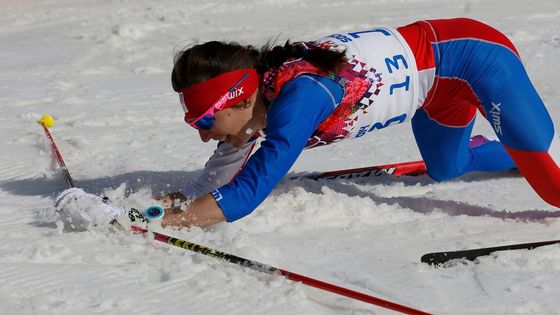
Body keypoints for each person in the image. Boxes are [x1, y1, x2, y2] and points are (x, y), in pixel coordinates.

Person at [55, 18, 560, 229]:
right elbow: (218, 179)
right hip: (437, 91)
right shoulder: (251, 111)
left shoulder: (298, 101)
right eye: (195, 123)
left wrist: (150, 223)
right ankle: (508, 150)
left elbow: (249, 191)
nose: (205, 132)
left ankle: (530, 151)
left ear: (241, 96)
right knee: (448, 170)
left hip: (474, 58)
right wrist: (157, 206)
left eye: (206, 119)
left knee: (547, 176)